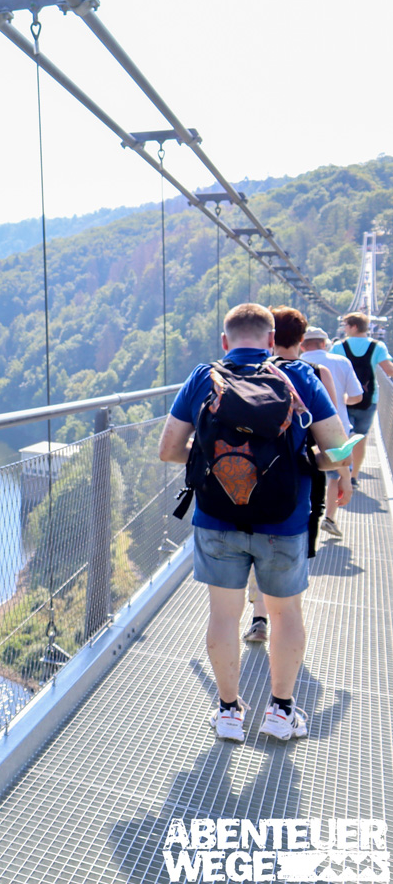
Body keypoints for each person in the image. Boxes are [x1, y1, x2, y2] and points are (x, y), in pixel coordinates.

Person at [159, 303, 349, 743]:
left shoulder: (202, 377)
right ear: (270, 339)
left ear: (225, 342)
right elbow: (336, 450)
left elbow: (168, 450)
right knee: (285, 614)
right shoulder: (300, 377)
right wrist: (309, 463)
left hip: (216, 516)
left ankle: (228, 713)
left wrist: (220, 464)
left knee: (223, 616)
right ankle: (280, 713)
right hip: (284, 520)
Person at [300, 325, 360, 539]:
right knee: (335, 477)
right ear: (324, 343)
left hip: (304, 436)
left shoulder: (295, 366)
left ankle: (303, 519)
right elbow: (357, 396)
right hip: (336, 430)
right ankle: (330, 518)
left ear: (301, 344)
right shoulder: (341, 362)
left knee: (306, 476)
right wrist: (341, 401)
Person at [332, 311, 393, 485]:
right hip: (369, 401)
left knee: (343, 436)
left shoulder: (338, 346)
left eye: (345, 325)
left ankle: (342, 473)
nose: (344, 329)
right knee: (361, 438)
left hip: (343, 399)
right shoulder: (378, 346)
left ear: (354, 326)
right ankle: (354, 476)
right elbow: (389, 370)